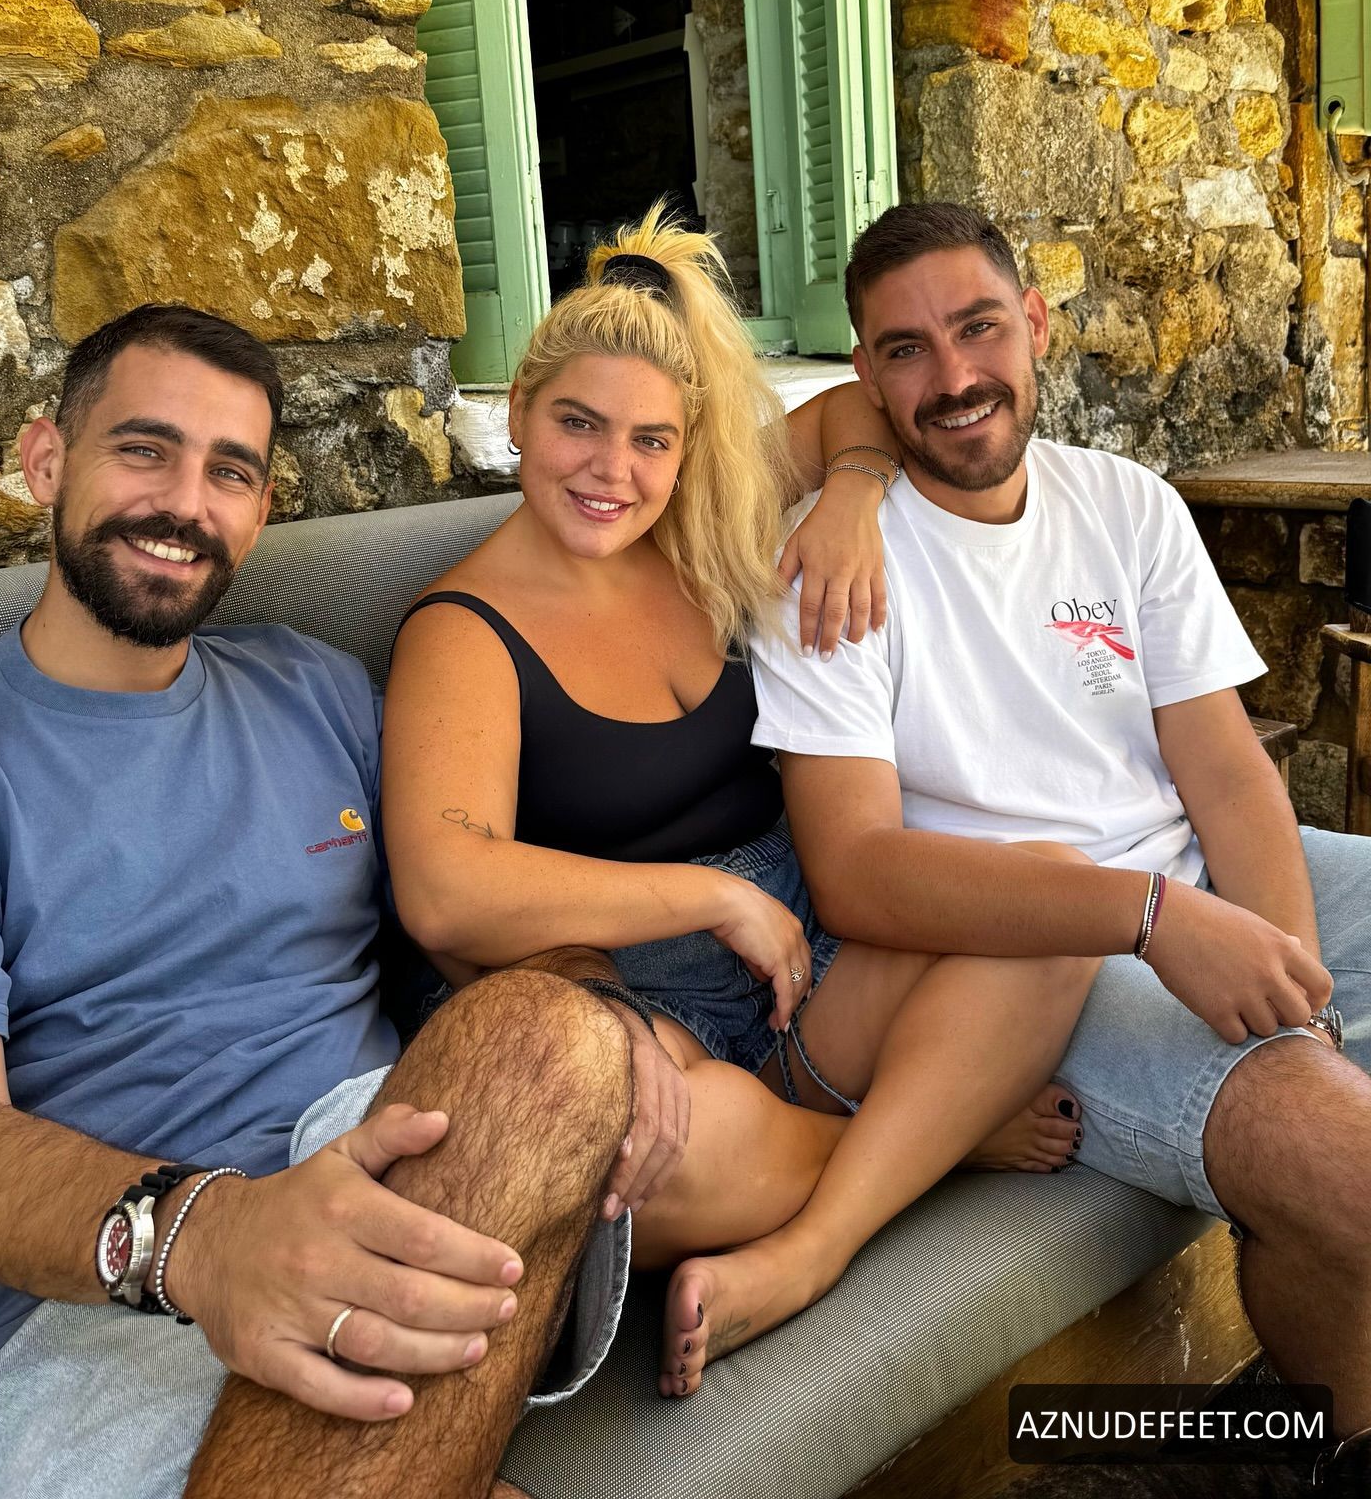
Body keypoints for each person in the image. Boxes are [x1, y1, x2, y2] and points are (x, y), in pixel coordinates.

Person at [384, 212, 1107, 1400]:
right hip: (613, 991)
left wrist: (852, 495)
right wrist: (710, 898)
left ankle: (820, 1218)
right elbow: (446, 890)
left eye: (650, 440)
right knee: (628, 1163)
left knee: (1055, 911)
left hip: (801, 960)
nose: (612, 471)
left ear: (686, 449)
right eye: (577, 424)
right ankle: (930, 1140)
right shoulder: (462, 630)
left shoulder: (691, 539)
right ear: (517, 414)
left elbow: (857, 408)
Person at [0, 304, 637, 1499]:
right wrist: (208, 1238)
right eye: (144, 450)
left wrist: (605, 1012)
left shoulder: (316, 690)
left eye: (230, 472)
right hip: (85, 1296)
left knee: (553, 1034)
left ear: (260, 511)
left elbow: (470, 920)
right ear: (46, 461)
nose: (184, 505)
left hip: (380, 1168)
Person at [749, 200, 1371, 1482]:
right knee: (1341, 1162)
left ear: (1035, 324)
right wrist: (1161, 923)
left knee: (1320, 1128)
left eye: (980, 327)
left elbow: (1225, 773)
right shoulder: (833, 564)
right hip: (1031, 962)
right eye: (906, 350)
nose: (954, 377)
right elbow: (855, 874)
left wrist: (1293, 997)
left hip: (1188, 886)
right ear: (865, 374)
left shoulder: (1123, 503)